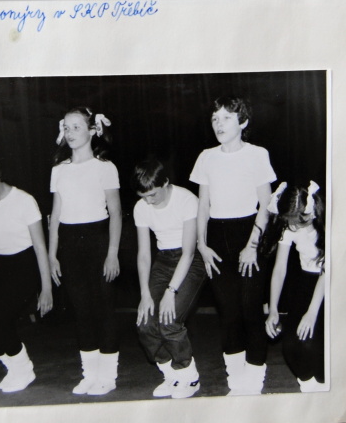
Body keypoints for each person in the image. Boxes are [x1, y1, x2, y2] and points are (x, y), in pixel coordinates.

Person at [189, 96, 276, 395]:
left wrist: (252, 245)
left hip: (249, 233)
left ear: (243, 122)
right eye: (215, 118)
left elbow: (266, 205)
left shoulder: (257, 154)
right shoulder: (206, 157)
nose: (219, 124)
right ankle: (235, 378)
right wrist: (202, 245)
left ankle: (255, 376)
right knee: (228, 312)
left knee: (250, 309)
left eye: (226, 117)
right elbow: (203, 205)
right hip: (216, 237)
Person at [48, 107, 122, 395]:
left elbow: (116, 213)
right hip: (69, 242)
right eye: (66, 128)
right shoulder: (59, 170)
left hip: (98, 240)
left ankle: (108, 376)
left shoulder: (105, 167)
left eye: (77, 127)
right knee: (81, 309)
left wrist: (112, 253)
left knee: (103, 308)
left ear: (92, 131)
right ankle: (89, 374)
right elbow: (55, 215)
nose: (70, 133)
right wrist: (52, 254)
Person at [0, 159, 53, 392]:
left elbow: (40, 247)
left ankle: (23, 369)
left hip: (23, 266)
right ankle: (14, 366)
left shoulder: (24, 201)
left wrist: (46, 288)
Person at [131, 159, 206, 399]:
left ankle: (189, 376)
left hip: (190, 261)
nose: (149, 201)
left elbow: (189, 253)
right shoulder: (141, 207)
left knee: (169, 319)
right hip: (163, 261)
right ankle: (171, 374)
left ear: (165, 182)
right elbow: (144, 254)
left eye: (153, 195)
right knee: (145, 322)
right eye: (143, 197)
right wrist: (144, 294)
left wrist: (170, 291)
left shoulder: (186, 200)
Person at [264, 181, 326, 392]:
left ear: (311, 211)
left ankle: (324, 387)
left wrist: (312, 313)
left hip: (331, 283)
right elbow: (280, 269)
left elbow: (328, 271)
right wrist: (273, 309)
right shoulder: (291, 224)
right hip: (306, 282)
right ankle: (310, 387)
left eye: (298, 221)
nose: (293, 227)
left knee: (315, 346)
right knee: (291, 346)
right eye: (289, 222)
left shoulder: (328, 223)